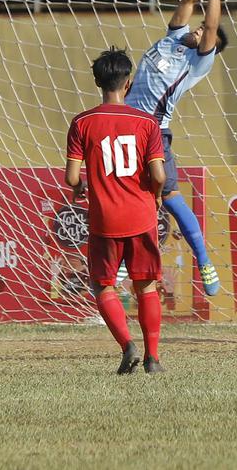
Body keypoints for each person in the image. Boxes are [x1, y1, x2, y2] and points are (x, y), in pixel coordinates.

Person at [125, 0, 233, 297]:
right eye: (198, 26)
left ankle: (203, 259)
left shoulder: (198, 60)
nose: (200, 27)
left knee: (170, 196)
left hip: (153, 132)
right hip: (122, 126)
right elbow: (188, 0)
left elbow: (213, 28)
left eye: (204, 30)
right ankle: (117, 276)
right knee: (119, 197)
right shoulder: (174, 38)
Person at [65, 47, 167, 374]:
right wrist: (158, 195)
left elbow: (71, 177)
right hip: (141, 216)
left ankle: (127, 345)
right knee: (146, 285)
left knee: (103, 285)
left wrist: (82, 186)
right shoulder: (146, 123)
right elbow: (159, 175)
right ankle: (153, 358)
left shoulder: (82, 122)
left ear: (97, 82)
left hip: (104, 220)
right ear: (129, 84)